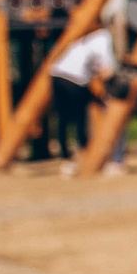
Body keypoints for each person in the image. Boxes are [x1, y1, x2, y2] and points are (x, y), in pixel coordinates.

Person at [49, 23, 121, 173]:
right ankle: (84, 153)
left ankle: (66, 158)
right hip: (76, 79)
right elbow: (106, 67)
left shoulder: (84, 37)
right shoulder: (103, 36)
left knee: (62, 119)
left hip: (56, 74)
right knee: (80, 118)